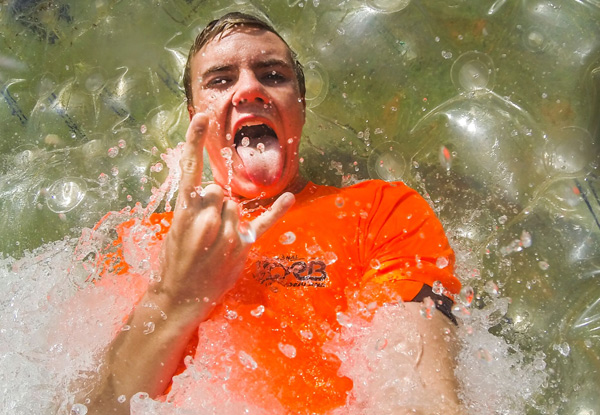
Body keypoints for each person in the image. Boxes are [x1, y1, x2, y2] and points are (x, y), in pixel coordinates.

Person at [81, 12, 463, 415]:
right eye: (221, 80)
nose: (249, 89)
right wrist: (174, 296)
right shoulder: (143, 243)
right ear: (195, 114)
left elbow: (418, 399)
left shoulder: (380, 211)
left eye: (273, 75)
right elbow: (91, 407)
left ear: (300, 106)